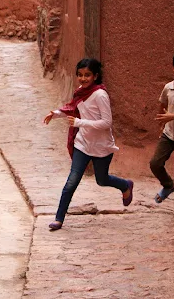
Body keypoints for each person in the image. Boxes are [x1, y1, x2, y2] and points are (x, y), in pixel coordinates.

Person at [43, 58, 134, 231]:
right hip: (83, 144)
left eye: (87, 75)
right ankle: (59, 219)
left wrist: (80, 123)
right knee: (72, 181)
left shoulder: (100, 95)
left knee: (102, 179)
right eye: (80, 75)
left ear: (95, 76)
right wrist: (55, 114)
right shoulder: (80, 92)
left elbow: (106, 122)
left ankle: (125, 185)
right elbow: (72, 109)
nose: (83, 79)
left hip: (101, 146)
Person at [150, 51, 174, 203]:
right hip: (169, 134)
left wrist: (172, 117)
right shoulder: (168, 87)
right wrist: (162, 125)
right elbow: (163, 105)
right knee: (155, 164)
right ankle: (169, 185)